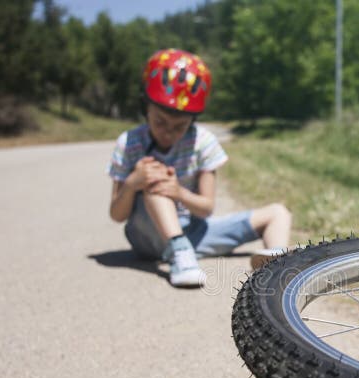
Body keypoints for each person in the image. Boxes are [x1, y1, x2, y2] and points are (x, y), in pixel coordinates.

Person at [107, 48, 291, 287]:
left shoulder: (203, 142)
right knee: (156, 180)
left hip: (193, 233)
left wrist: (178, 193)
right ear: (145, 109)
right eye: (160, 122)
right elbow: (117, 215)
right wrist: (133, 183)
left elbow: (206, 208)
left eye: (179, 126)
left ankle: (277, 263)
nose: (168, 132)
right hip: (146, 237)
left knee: (278, 212)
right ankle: (179, 253)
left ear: (192, 121)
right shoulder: (129, 142)